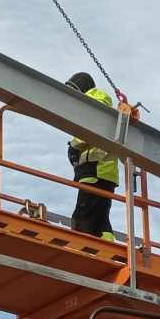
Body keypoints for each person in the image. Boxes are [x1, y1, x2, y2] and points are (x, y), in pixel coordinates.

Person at [65, 71, 121, 243]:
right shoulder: (104, 109)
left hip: (93, 171)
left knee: (83, 218)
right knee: (101, 219)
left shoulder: (93, 104)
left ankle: (85, 249)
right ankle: (107, 246)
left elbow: (89, 130)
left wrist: (73, 147)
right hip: (106, 175)